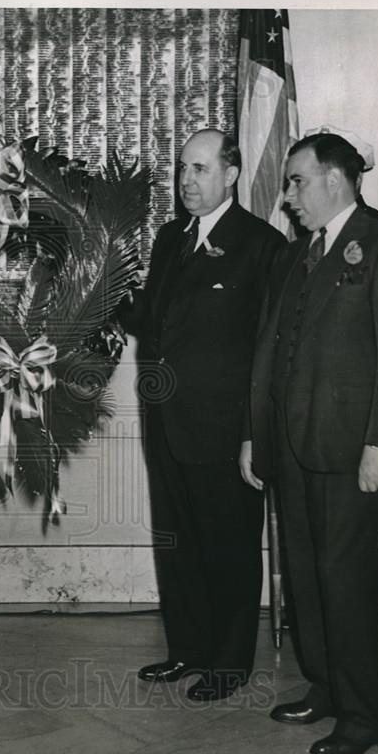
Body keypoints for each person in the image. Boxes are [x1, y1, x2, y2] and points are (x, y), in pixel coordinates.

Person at [241, 132, 378, 754]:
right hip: (293, 449)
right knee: (308, 581)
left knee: (347, 583)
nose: (287, 195)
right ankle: (325, 687)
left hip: (353, 454)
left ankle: (368, 714)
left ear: (335, 181)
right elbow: (270, 351)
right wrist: (255, 437)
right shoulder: (297, 255)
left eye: (296, 181)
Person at [129, 129, 285, 700]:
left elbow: (268, 350)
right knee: (179, 542)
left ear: (231, 174)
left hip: (226, 432)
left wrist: (254, 434)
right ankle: (188, 650)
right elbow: (153, 321)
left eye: (199, 169)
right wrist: (97, 286)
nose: (186, 182)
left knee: (228, 546)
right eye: (182, 170)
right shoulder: (171, 238)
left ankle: (228, 662)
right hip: (167, 421)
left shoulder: (262, 245)